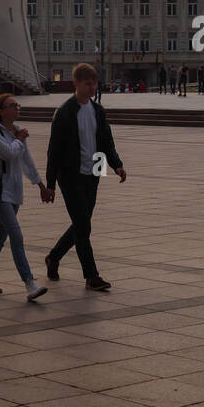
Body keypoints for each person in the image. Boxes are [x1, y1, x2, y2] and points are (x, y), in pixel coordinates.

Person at [44, 62, 127, 292]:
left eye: (94, 83)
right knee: (83, 226)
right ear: (76, 84)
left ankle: (53, 257)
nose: (92, 88)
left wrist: (117, 165)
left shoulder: (98, 111)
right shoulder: (65, 112)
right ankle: (92, 276)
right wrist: (50, 184)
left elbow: (106, 142)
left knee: (83, 224)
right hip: (70, 175)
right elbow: (54, 151)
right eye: (88, 84)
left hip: (95, 171)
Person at [0, 94, 49, 302]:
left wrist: (40, 185)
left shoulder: (17, 130)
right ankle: (29, 284)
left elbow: (26, 161)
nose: (16, 108)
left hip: (15, 191)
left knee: (0, 236)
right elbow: (8, 153)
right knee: (16, 235)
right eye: (11, 106)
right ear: (0, 111)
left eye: (17, 105)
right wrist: (19, 140)